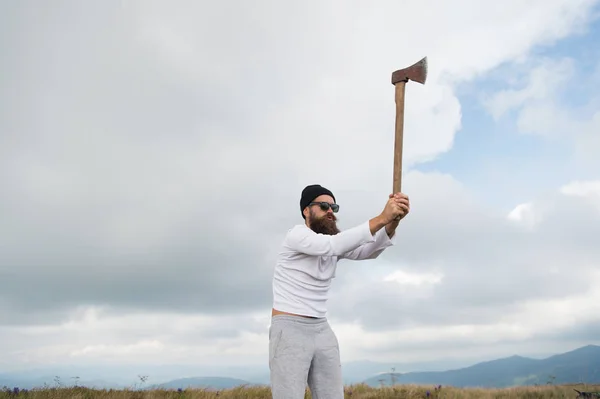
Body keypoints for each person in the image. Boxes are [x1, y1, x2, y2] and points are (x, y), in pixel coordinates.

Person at [268, 184, 410, 398]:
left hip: (321, 328)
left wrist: (392, 221)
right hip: (289, 329)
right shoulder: (297, 236)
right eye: (324, 206)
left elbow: (366, 251)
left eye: (333, 207)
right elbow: (333, 245)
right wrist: (382, 217)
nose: (330, 212)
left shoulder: (332, 242)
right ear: (306, 210)